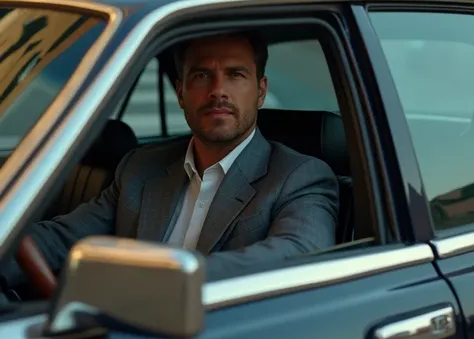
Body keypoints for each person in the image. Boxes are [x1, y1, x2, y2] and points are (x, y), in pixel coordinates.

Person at [3, 31, 339, 288]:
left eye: (236, 75)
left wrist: (158, 280)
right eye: (201, 75)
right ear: (180, 93)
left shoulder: (300, 177)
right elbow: (61, 240)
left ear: (261, 91)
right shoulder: (140, 169)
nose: (218, 90)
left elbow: (297, 255)